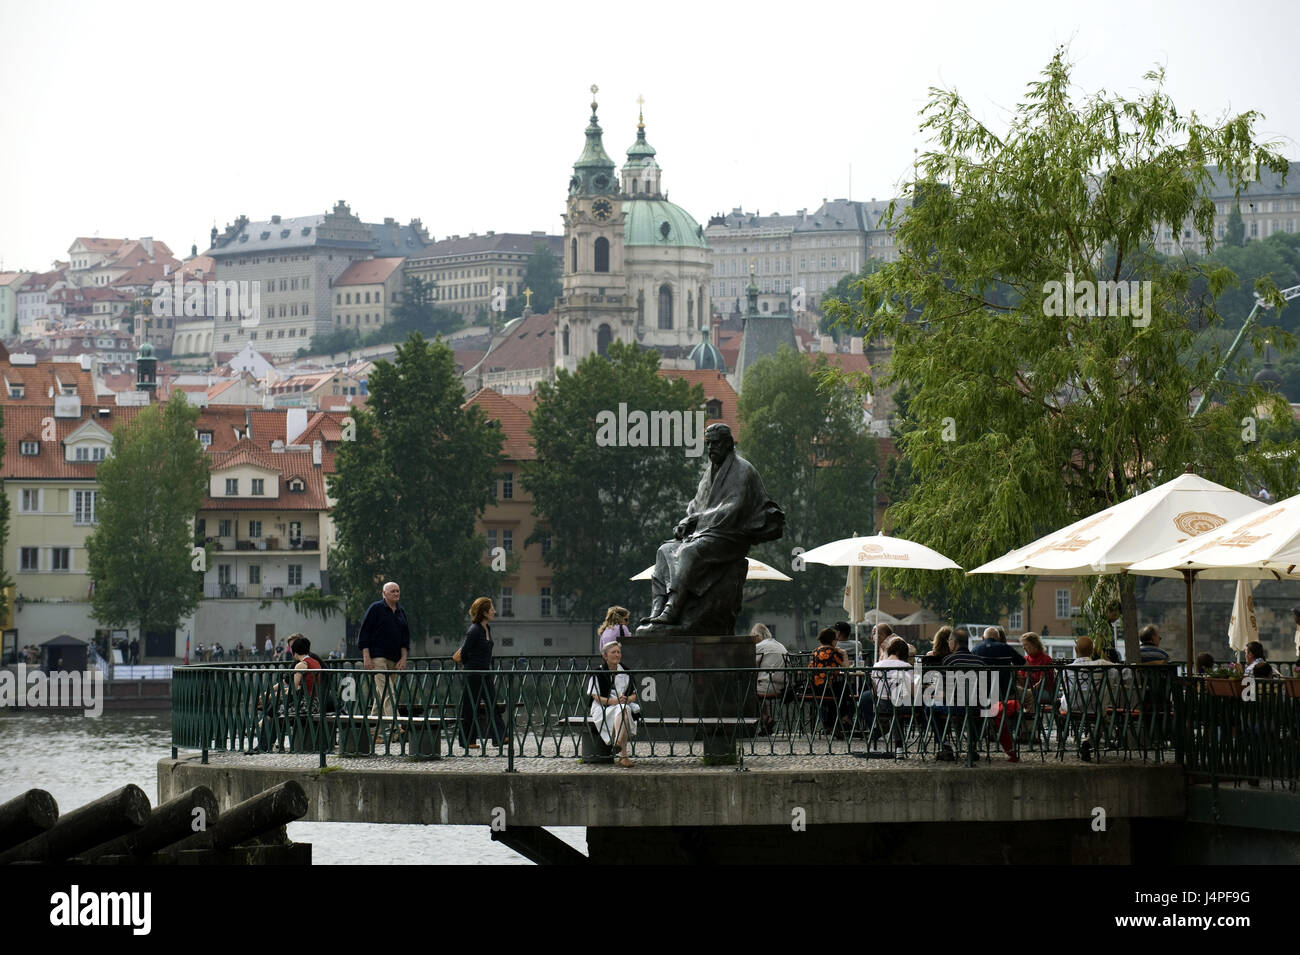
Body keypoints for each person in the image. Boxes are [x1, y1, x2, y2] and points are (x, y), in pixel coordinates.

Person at [641, 423, 783, 630]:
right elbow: (696, 504)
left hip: (730, 536)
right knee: (664, 550)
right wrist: (685, 522)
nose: (710, 448)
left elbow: (732, 508)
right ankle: (658, 607)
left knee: (689, 552)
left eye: (715, 443)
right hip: (705, 533)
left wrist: (696, 520)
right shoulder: (710, 472)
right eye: (708, 444)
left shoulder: (743, 470)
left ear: (728, 444)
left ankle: (673, 609)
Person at [357, 581, 410, 744]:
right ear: (384, 593)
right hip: (377, 656)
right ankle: (397, 726)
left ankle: (372, 731)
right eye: (392, 591)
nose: (396, 593)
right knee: (387, 691)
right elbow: (364, 633)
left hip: (394, 657)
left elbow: (405, 638)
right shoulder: (376, 609)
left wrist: (403, 658)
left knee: (381, 696)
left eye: (398, 590)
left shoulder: (401, 611)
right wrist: (366, 657)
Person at [454, 597, 506, 750]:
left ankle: (498, 738)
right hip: (474, 674)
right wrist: (473, 666)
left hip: (485, 673)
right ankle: (467, 740)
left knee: (492, 704)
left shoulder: (487, 628)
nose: (494, 611)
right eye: (491, 609)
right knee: (470, 706)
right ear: (484, 612)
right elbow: (463, 654)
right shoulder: (474, 630)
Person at [587, 641, 638, 767]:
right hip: (603, 707)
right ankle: (623, 754)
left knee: (624, 709)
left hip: (622, 705)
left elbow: (634, 695)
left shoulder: (626, 671)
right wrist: (613, 701)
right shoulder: (597, 672)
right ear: (605, 656)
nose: (617, 655)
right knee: (623, 710)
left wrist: (626, 699)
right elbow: (596, 696)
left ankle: (618, 743)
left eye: (618, 652)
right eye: (613, 652)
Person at [869, 636, 913, 751]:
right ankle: (900, 747)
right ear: (903, 652)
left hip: (881, 706)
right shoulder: (906, 666)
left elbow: (874, 689)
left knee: (895, 710)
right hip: (901, 707)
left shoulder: (877, 665)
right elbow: (912, 691)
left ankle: (874, 740)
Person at [808, 627, 848, 738]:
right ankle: (843, 717)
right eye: (836, 639)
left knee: (837, 694)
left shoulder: (815, 652)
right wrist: (844, 655)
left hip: (815, 689)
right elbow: (846, 668)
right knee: (845, 689)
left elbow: (810, 668)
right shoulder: (834, 652)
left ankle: (831, 725)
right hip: (828, 689)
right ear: (832, 640)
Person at [753, 623, 787, 735]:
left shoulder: (760, 647)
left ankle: (762, 719)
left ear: (756, 636)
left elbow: (751, 666)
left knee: (743, 693)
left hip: (768, 687)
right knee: (757, 692)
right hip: (784, 688)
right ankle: (765, 721)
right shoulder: (779, 645)